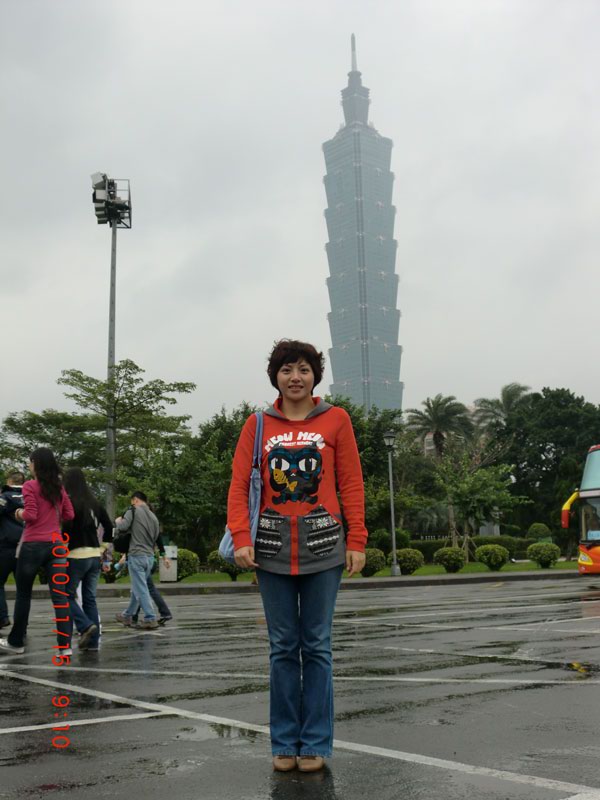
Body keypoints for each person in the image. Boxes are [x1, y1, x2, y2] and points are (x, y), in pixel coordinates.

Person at [227, 339, 367, 773]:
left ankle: (316, 744)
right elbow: (239, 485)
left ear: (315, 377)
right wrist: (241, 536)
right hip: (270, 550)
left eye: (304, 369)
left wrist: (357, 539)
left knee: (317, 646)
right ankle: (285, 742)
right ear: (276, 376)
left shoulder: (337, 419)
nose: (295, 377)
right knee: (283, 648)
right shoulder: (257, 425)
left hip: (324, 548)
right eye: (287, 369)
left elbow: (351, 482)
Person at [0, 448, 75, 655]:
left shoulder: (30, 486)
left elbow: (31, 515)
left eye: (30, 462)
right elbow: (69, 514)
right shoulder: (59, 488)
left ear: (35, 463)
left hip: (33, 545)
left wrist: (18, 512)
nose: (29, 465)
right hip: (56, 545)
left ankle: (16, 642)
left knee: (24, 595)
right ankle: (65, 647)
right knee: (59, 597)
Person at [62, 468, 114, 652]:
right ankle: (92, 643)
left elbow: (66, 530)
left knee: (65, 595)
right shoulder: (94, 503)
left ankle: (84, 625)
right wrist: (103, 548)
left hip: (75, 556)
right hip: (94, 556)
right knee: (90, 599)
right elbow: (109, 526)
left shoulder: (69, 503)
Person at [113, 491, 170, 630]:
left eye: (132, 501)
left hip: (136, 555)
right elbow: (157, 537)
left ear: (135, 500)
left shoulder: (133, 510)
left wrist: (118, 521)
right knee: (137, 588)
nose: (132, 504)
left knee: (141, 589)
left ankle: (150, 618)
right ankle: (127, 615)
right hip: (149, 557)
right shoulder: (154, 517)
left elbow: (123, 527)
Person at [0, 470, 26, 628]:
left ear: (9, 481)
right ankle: (22, 626)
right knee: (23, 589)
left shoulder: (5, 497)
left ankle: (2, 617)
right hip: (26, 546)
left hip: (6, 546)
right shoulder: (31, 497)